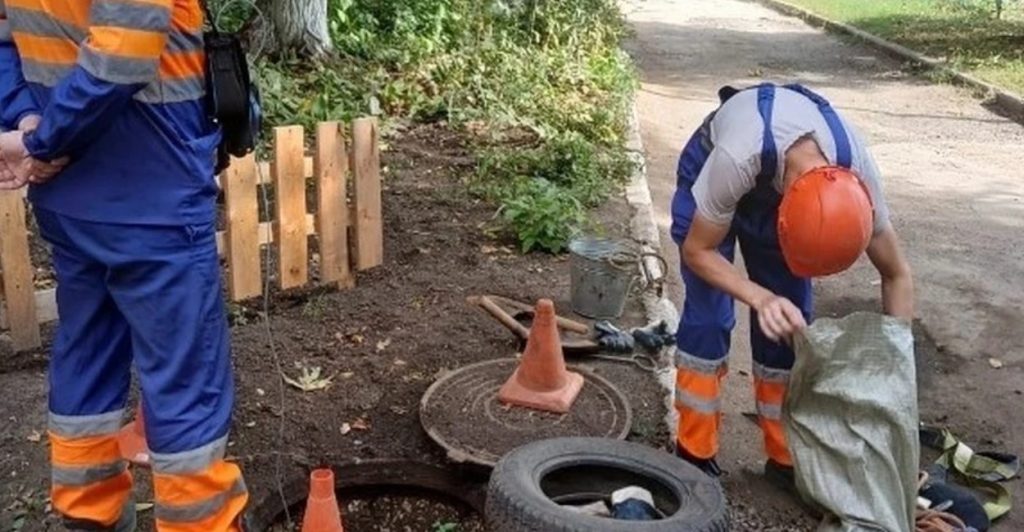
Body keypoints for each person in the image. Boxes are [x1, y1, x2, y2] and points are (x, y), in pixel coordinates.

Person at [0, 1, 248, 530]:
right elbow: (124, 52)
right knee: (185, 381)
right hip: (152, 196)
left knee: (87, 356)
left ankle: (88, 515)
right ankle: (198, 522)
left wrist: (27, 122)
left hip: (70, 199)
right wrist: (44, 141)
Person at [669, 83, 914, 484]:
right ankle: (693, 455)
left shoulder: (858, 176)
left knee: (791, 324)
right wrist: (760, 297)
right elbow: (699, 251)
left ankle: (785, 456)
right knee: (709, 318)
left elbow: (897, 273)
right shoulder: (737, 156)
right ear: (783, 221)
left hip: (780, 176)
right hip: (710, 165)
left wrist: (897, 367)